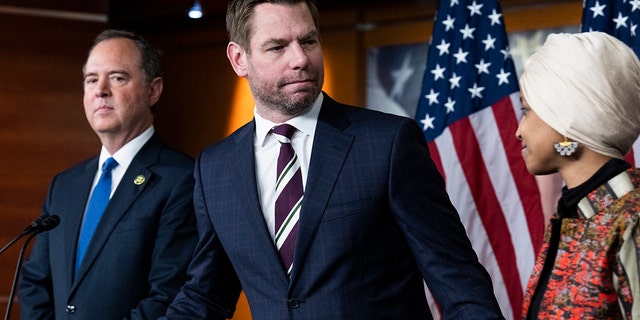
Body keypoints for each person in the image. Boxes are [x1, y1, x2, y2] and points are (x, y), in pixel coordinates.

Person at [162, 0, 504, 319]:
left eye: (308, 41)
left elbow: (458, 280)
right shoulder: (215, 168)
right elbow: (206, 293)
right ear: (239, 59)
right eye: (278, 47)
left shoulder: (388, 143)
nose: (300, 59)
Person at [18, 29, 198, 319]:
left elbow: (168, 295)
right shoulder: (64, 185)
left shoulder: (182, 180)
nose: (100, 90)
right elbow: (35, 283)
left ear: (154, 90)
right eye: (92, 80)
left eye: (117, 78)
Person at [516, 31, 640, 319]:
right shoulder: (573, 217)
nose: (518, 131)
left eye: (526, 111)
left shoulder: (632, 218)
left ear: (566, 119)